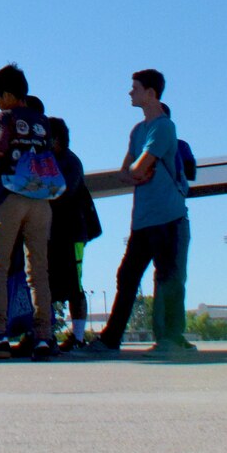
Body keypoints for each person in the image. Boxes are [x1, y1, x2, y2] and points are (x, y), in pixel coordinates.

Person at [87, 69, 193, 356]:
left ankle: (169, 339)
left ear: (151, 92)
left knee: (167, 278)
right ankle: (111, 339)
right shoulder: (137, 131)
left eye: (134, 88)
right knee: (127, 276)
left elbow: (138, 166)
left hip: (168, 217)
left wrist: (137, 171)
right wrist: (137, 172)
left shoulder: (163, 127)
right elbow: (125, 171)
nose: (130, 92)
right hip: (143, 219)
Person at [0, 68, 57, 361]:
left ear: (9, 95)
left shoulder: (4, 118)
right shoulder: (43, 122)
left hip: (10, 196)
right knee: (38, 269)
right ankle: (43, 336)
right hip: (40, 199)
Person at [44, 114, 100, 350]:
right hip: (52, 233)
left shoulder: (70, 162)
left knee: (74, 285)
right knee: (47, 284)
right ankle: (46, 333)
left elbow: (63, 192)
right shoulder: (47, 160)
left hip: (73, 233)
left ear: (56, 138)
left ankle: (77, 337)